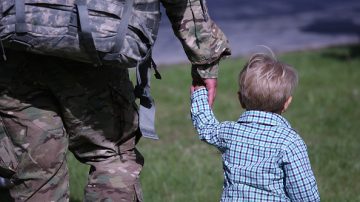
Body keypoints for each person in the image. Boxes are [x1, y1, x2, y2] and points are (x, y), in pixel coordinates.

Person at [0, 0, 230, 201]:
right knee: (112, 158)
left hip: (16, 43)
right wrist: (205, 63)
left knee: (35, 167)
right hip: (95, 49)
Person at [190, 53, 320, 201]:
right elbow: (305, 195)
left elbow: (206, 127)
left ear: (241, 100)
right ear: (287, 103)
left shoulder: (231, 133)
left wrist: (200, 92)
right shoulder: (290, 142)